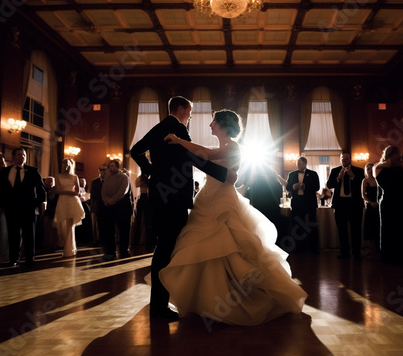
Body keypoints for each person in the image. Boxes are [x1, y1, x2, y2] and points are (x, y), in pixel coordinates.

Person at [160, 109, 307, 325]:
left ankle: (233, 298)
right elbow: (206, 156)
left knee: (226, 244)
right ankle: (207, 298)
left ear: (222, 125)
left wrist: (179, 140)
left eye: (213, 122)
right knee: (208, 247)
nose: (210, 125)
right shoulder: (225, 146)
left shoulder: (233, 146)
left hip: (222, 200)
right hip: (209, 197)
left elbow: (206, 155)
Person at [130, 96, 230, 320]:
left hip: (160, 196)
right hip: (174, 198)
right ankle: (158, 307)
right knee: (167, 249)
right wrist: (223, 175)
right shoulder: (178, 129)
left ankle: (160, 303)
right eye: (190, 110)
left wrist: (152, 172)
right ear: (182, 108)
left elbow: (135, 150)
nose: (191, 115)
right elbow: (194, 159)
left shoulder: (159, 127)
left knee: (164, 247)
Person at [0, 147, 46, 267]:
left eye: (23, 155)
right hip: (11, 208)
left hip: (29, 208)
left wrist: (43, 202)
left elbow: (41, 189)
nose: (22, 157)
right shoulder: (5, 171)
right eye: (19, 154)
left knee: (29, 234)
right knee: (13, 234)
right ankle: (14, 258)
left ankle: (29, 258)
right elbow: (0, 190)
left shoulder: (33, 171)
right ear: (13, 157)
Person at [326, 151, 365, 259]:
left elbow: (362, 184)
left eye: (346, 158)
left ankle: (357, 252)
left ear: (350, 159)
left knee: (356, 229)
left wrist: (352, 176)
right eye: (343, 159)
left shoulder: (359, 170)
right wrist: (338, 178)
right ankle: (344, 252)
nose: (344, 160)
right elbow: (329, 185)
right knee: (342, 230)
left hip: (355, 204)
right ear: (340, 160)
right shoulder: (335, 171)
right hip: (340, 204)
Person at [285, 157, 320, 253]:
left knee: (311, 225)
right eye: (297, 164)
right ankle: (299, 248)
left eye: (300, 164)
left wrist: (305, 186)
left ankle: (313, 248)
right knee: (297, 226)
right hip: (297, 204)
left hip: (309, 204)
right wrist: (293, 186)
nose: (298, 165)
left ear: (305, 164)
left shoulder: (313, 174)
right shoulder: (291, 174)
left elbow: (317, 186)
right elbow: (287, 187)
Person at [100, 159, 133, 261]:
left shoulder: (124, 178)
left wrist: (113, 200)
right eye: (109, 166)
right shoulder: (108, 178)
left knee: (123, 230)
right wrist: (106, 200)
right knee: (109, 230)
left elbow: (123, 191)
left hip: (122, 207)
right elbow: (103, 191)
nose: (110, 168)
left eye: (113, 166)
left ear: (118, 167)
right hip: (109, 207)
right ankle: (110, 252)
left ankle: (124, 251)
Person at [53, 158, 85, 258]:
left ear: (71, 165)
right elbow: (57, 190)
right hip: (63, 201)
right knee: (62, 225)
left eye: (67, 164)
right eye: (64, 164)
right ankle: (65, 245)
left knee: (70, 226)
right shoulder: (58, 176)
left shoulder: (74, 177)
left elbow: (77, 192)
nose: (65, 166)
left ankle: (69, 250)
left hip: (72, 202)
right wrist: (70, 192)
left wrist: (68, 192)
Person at [361, 163, 380, 259]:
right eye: (367, 168)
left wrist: (377, 202)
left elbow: (382, 193)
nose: (369, 169)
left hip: (379, 206)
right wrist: (371, 202)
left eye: (370, 168)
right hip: (370, 206)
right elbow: (363, 195)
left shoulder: (378, 179)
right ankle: (373, 251)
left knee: (378, 229)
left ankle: (379, 250)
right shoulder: (365, 181)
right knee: (371, 229)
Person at [90, 164, 107, 246]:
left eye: (105, 169)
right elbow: (93, 194)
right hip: (96, 204)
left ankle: (104, 240)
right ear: (99, 171)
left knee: (105, 224)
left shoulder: (109, 181)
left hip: (106, 205)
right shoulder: (94, 181)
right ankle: (95, 240)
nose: (103, 171)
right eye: (102, 170)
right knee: (94, 224)